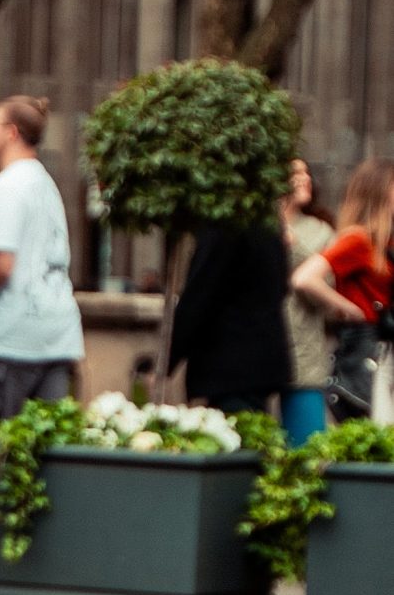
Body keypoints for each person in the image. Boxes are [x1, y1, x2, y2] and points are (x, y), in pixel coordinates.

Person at [0, 95, 82, 441]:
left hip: (9, 339)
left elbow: (1, 264)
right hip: (58, 335)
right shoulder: (47, 185)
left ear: (11, 132)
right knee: (44, 453)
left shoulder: (6, 187)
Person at [290, 157, 394, 421]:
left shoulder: (384, 241)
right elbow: (304, 278)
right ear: (380, 191)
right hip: (365, 348)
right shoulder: (359, 239)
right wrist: (349, 308)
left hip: (382, 347)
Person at [168, 218, 291, 414]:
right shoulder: (267, 220)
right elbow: (283, 285)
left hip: (228, 367)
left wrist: (166, 362)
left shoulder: (224, 224)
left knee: (234, 435)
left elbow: (199, 296)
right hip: (256, 364)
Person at [280, 159, 334, 443]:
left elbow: (327, 286)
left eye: (307, 172)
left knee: (306, 450)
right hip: (258, 354)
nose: (304, 178)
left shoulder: (321, 231)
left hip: (304, 356)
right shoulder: (254, 227)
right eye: (295, 172)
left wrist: (291, 242)